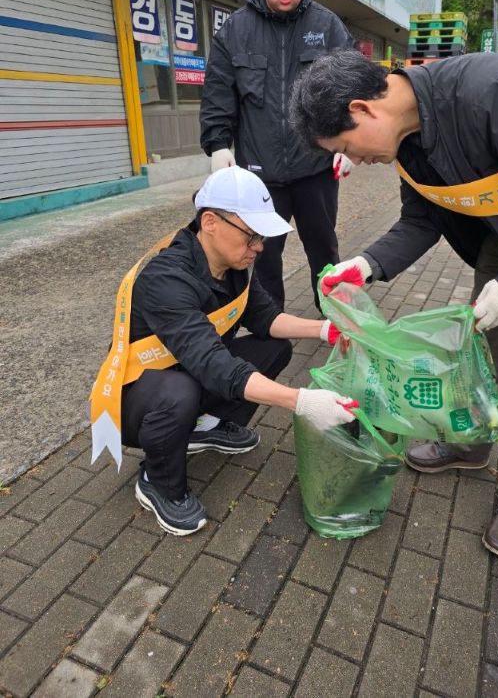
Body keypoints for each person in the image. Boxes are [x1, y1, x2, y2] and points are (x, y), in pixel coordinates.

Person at [290, 48, 498, 558]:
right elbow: (422, 220)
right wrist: (368, 264)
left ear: (363, 109)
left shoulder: (493, 88)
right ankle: (469, 444)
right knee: (478, 354)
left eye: (346, 147)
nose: (351, 161)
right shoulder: (406, 142)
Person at [91, 167, 357, 536]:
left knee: (273, 349)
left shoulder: (234, 264)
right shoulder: (166, 278)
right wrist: (302, 401)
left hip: (188, 370)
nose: (260, 247)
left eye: (262, 236)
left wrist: (327, 329)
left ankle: (203, 428)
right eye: (251, 236)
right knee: (179, 392)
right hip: (137, 400)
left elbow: (266, 319)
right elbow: (213, 364)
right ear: (211, 221)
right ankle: (158, 481)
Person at [200, 0, 355, 311]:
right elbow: (219, 94)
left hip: (316, 170)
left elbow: (353, 90)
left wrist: (350, 140)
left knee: (324, 250)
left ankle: (334, 323)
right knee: (263, 257)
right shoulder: (234, 32)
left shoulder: (327, 27)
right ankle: (271, 333)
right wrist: (218, 146)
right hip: (259, 174)